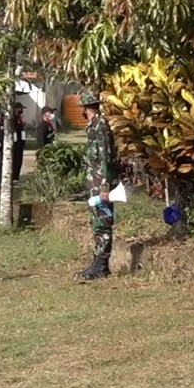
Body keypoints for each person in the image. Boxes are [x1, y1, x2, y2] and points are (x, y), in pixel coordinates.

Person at [79, 91, 118, 282]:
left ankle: (101, 265)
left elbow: (105, 157)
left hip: (101, 183)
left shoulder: (100, 126)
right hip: (94, 182)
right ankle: (97, 261)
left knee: (103, 221)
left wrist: (105, 185)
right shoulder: (93, 125)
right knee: (97, 222)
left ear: (85, 108)